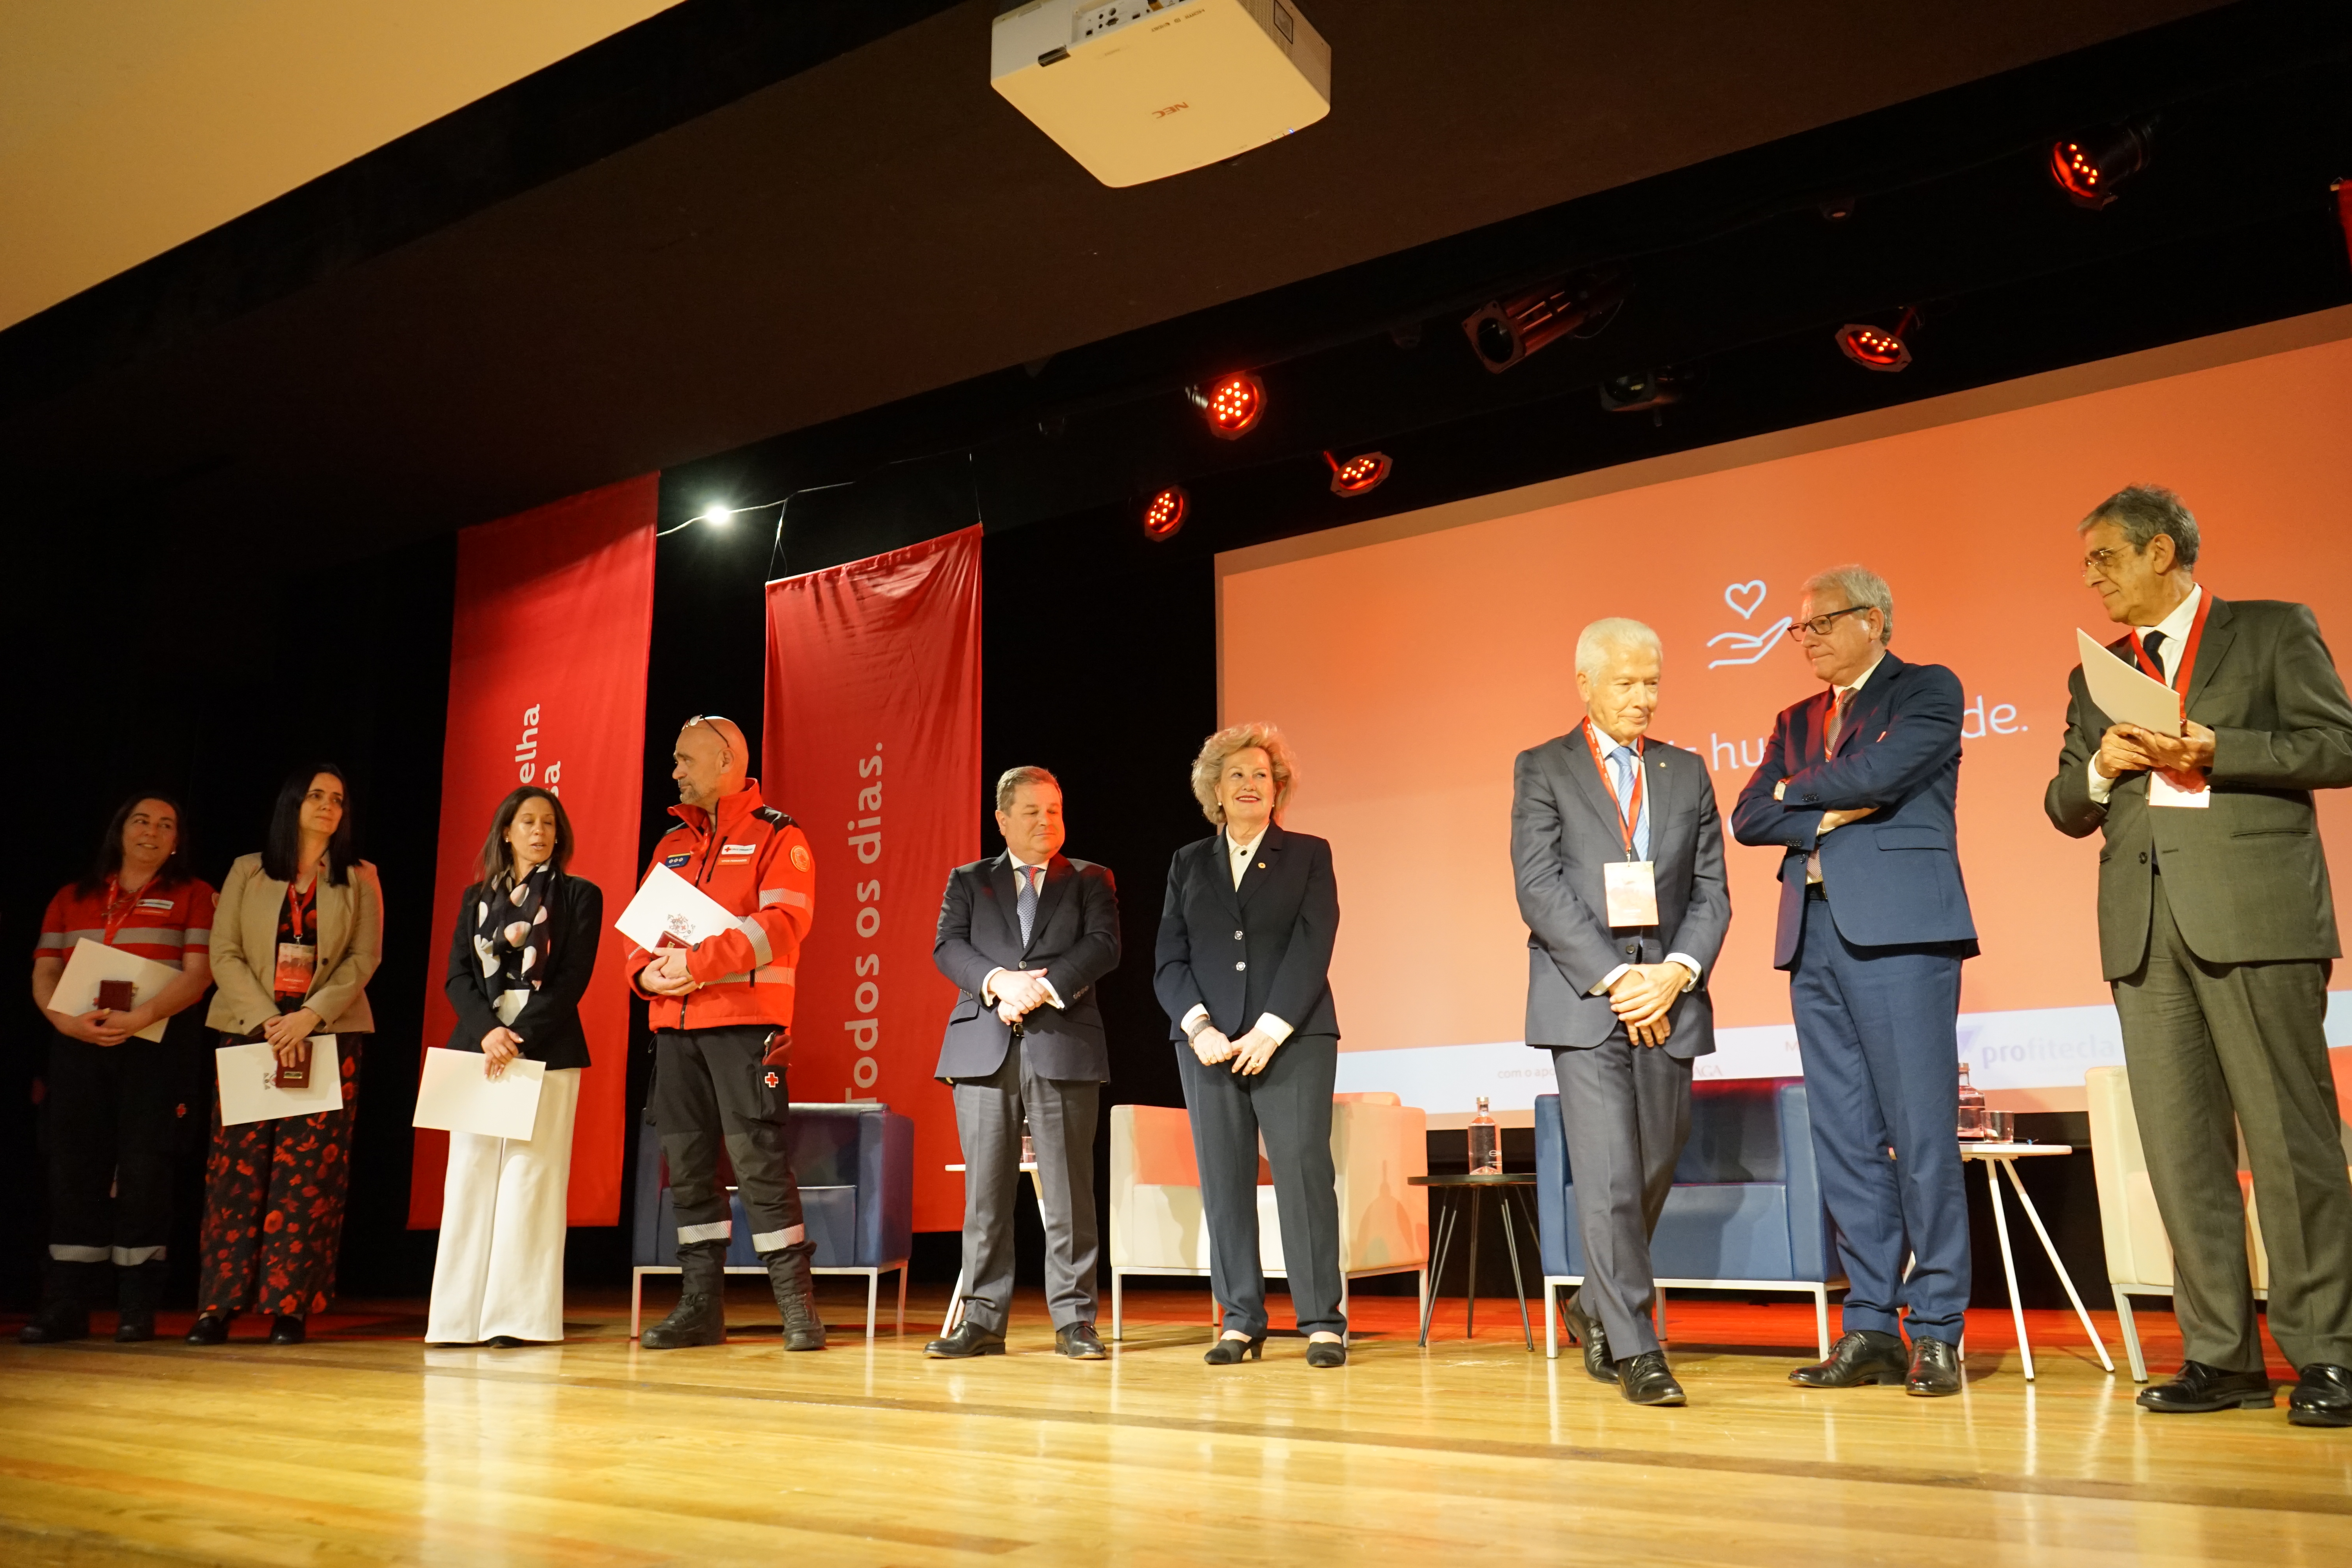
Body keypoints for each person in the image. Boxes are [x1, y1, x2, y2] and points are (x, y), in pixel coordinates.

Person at [2044, 485, 2352, 1428]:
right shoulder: (2098, 672)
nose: (2091, 577)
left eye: (2105, 557)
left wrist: (2221, 748)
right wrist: (2102, 767)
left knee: (2291, 1142)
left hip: (2256, 916)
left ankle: (2329, 1351)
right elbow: (2064, 805)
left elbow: (2338, 744)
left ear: (2163, 551)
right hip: (2145, 929)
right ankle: (2221, 1354)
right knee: (2182, 1152)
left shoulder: (2271, 629)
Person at [1731, 566, 1976, 1398]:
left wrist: (1797, 794)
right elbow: (1748, 816)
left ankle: (1937, 1328)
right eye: (1798, 629)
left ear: (1873, 620)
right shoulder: (1794, 719)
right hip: (1814, 939)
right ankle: (1870, 1324)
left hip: (1903, 933)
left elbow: (1882, 774)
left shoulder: (1927, 689)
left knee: (1921, 1134)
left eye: (1821, 624)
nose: (1806, 640)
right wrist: (1824, 807)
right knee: (1845, 1139)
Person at [1510, 620, 1730, 1406]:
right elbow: (1539, 886)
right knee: (1607, 1174)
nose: (1644, 698)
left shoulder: (1686, 770)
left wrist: (1672, 973)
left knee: (1654, 1162)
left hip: (1669, 997)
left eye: (1653, 682)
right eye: (1627, 683)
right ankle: (1638, 1346)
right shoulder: (1544, 766)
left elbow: (1711, 892)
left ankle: (1593, 1303)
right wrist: (1616, 978)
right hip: (1587, 1001)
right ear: (1586, 684)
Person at [626, 714, 824, 1350]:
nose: (675, 772)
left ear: (726, 762)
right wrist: (644, 975)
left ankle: (798, 1311)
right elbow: (639, 935)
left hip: (745, 1029)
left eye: (685, 760)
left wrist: (697, 964)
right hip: (674, 1031)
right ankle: (701, 1310)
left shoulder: (779, 835)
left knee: (760, 1166)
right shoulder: (671, 845)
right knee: (688, 1173)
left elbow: (784, 922)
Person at [1154, 722, 1347, 1368]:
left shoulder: (1309, 854)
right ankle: (1240, 1320)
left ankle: (1322, 1322)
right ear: (1214, 789)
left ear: (1278, 789)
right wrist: (1199, 1028)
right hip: (1207, 1047)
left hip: (1293, 1040)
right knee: (1225, 1181)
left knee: (1303, 1175)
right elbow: (1169, 959)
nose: (1249, 784)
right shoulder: (1187, 863)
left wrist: (1271, 1029)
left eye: (1261, 775)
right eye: (1235, 774)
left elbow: (1314, 946)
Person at [925, 766, 1122, 1360]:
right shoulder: (969, 880)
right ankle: (982, 1321)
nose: (1046, 822)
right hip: (983, 1049)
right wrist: (998, 982)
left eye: (1054, 811)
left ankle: (1075, 1321)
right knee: (985, 1196)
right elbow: (948, 947)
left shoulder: (1090, 878)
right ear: (1003, 820)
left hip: (1063, 1044)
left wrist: (1039, 989)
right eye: (1032, 812)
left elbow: (1103, 945)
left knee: (1069, 1193)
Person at [190, 766, 383, 1347]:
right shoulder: (248, 870)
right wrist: (268, 1020)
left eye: (338, 800)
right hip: (252, 1030)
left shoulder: (361, 877)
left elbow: (364, 958)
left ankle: (290, 1305)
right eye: (316, 796)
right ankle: (219, 1305)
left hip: (326, 1034)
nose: (328, 806)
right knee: (237, 1170)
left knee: (309, 1175)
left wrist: (309, 1016)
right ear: (292, 804)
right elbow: (223, 951)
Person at [20, 795, 216, 1344]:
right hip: (79, 1045)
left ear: (176, 841)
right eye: (141, 821)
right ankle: (65, 1305)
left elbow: (199, 974)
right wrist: (65, 1022)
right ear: (120, 830)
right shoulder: (72, 896)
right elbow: (45, 972)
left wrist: (142, 1016)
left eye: (166, 825)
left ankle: (137, 1306)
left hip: (154, 1047)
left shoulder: (195, 894)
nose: (152, 831)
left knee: (146, 1171)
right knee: (74, 1170)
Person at [426, 787, 604, 1347]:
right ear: (506, 832)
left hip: (545, 1050)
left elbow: (572, 980)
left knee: (532, 1179)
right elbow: (458, 976)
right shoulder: (475, 898)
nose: (539, 832)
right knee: (469, 1178)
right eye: (528, 822)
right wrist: (489, 1032)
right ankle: (456, 1320)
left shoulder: (580, 896)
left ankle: (517, 1321)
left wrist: (519, 1035)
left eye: (549, 823)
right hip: (479, 1048)